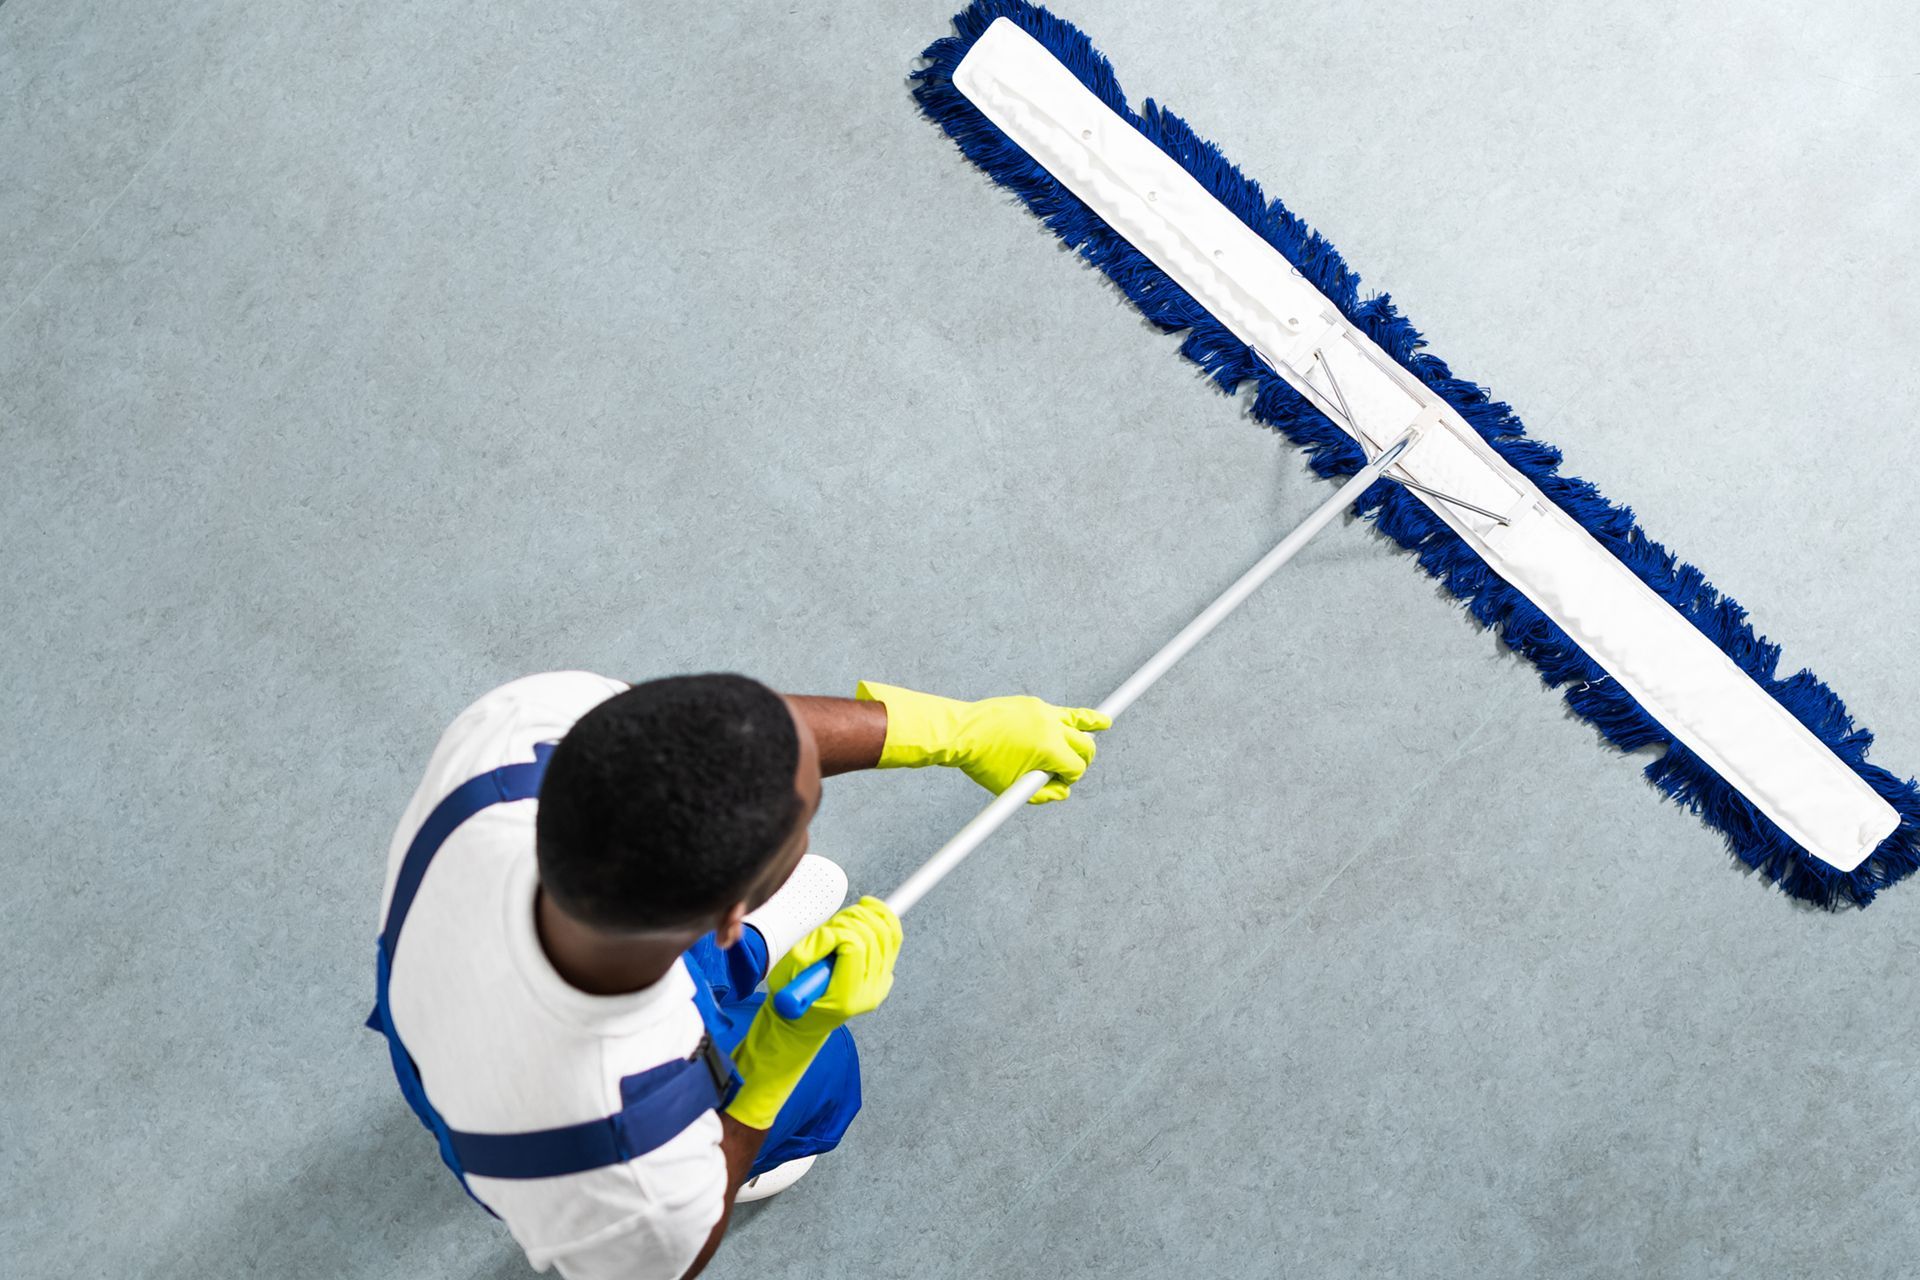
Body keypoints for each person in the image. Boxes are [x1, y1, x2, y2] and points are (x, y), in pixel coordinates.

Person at [370, 670, 1109, 1278]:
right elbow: (682, 1252)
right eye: (805, 819)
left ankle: (735, 966)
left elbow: (718, 740)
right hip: (526, 1126)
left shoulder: (516, 731)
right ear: (726, 914)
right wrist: (786, 1045)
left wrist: (948, 730)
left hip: (440, 998)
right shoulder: (637, 1171)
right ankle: (765, 1100)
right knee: (829, 1075)